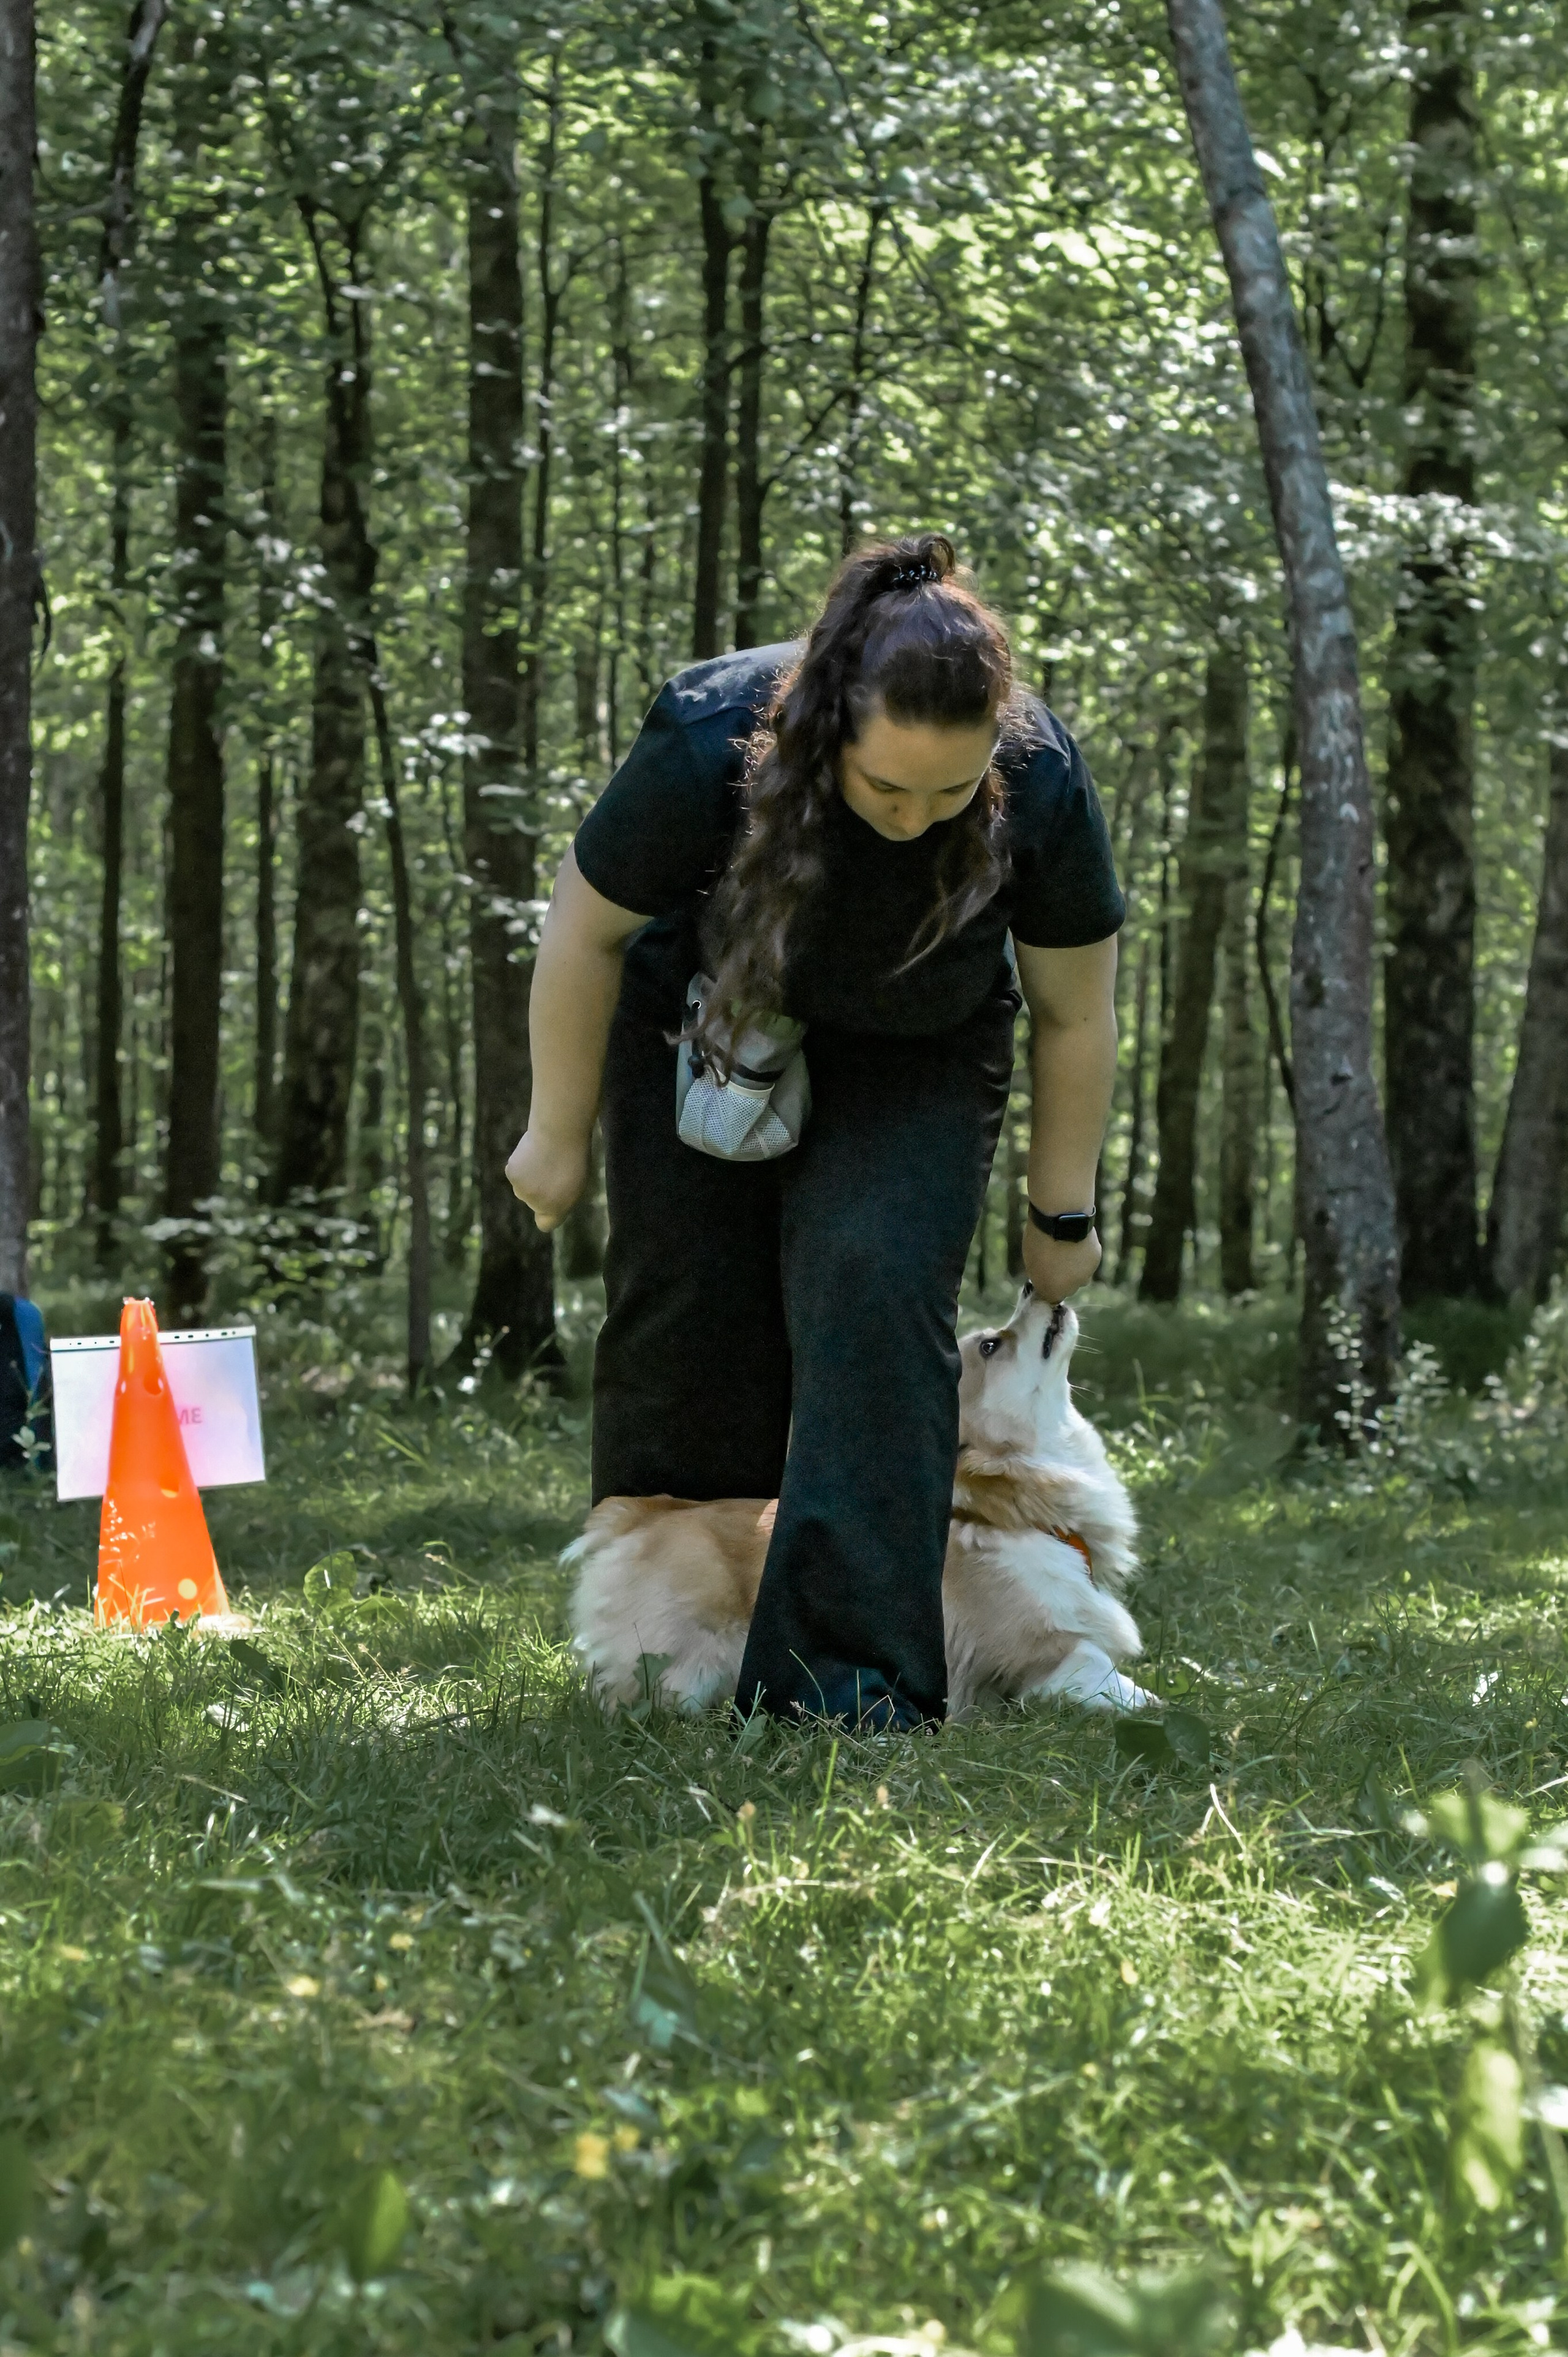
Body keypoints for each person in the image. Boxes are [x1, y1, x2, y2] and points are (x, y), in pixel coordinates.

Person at [507, 534, 1123, 1730]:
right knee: (693, 1306)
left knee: (871, 1284)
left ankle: (851, 1687)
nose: (912, 819)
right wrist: (554, 1131)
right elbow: (581, 932)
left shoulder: (1043, 777)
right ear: (826, 728)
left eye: (949, 794)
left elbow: (1073, 1006)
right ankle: (671, 1645)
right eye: (884, 787)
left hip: (919, 1051)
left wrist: (1061, 1212)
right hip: (711, 1017)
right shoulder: (708, 739)